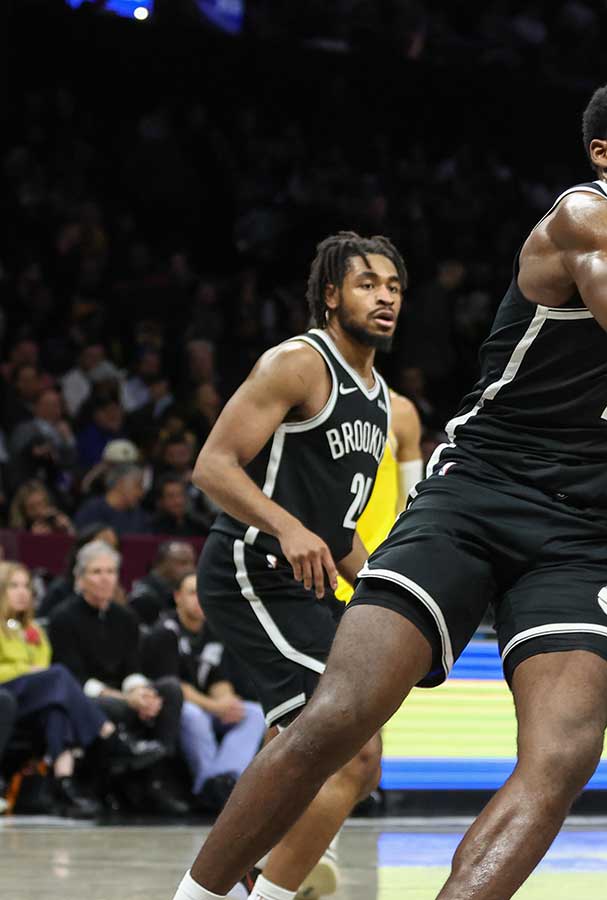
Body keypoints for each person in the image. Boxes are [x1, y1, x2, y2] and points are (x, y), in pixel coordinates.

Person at [174, 73, 607, 900]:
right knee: (337, 716)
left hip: (586, 534)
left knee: (562, 758)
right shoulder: (581, 217)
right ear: (604, 153)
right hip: (478, 494)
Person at [179, 230, 405, 900]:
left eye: (394, 287)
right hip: (251, 566)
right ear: (331, 295)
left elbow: (337, 532)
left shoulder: (380, 397)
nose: (386, 298)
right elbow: (211, 466)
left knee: (348, 762)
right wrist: (288, 527)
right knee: (350, 749)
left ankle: (256, 880)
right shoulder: (299, 363)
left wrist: (391, 591)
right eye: (368, 284)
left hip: (309, 579)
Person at [0, 560, 164, 817]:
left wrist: (34, 672)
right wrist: (25, 670)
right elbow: (37, 671)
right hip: (6, 692)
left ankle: (64, 782)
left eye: (26, 586)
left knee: (56, 708)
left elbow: (43, 662)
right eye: (13, 586)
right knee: (59, 676)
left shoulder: (33, 629)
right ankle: (110, 737)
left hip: (31, 697)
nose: (22, 592)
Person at [46, 540, 190, 815]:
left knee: (170, 689)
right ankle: (119, 773)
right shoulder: (62, 617)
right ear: (80, 578)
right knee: (109, 706)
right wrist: (127, 699)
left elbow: (132, 668)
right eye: (97, 572)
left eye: (111, 572)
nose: (105, 579)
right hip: (84, 696)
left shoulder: (125, 617)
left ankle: (155, 774)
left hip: (122, 692)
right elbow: (74, 678)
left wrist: (140, 693)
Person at [142, 572, 267, 811]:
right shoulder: (165, 632)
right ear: (177, 597)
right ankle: (207, 787)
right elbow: (174, 686)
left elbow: (218, 678)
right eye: (192, 593)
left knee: (253, 713)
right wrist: (216, 706)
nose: (198, 598)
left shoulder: (213, 630)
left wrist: (227, 701)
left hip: (207, 703)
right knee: (193, 716)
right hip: (170, 707)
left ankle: (226, 779)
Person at [331, 389, 423, 604]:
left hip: (375, 575)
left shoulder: (400, 411)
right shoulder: (304, 405)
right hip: (314, 575)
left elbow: (410, 511)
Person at [129, 540, 199, 626]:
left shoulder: (183, 591)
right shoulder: (143, 597)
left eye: (193, 563)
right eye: (183, 563)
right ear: (161, 564)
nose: (191, 569)